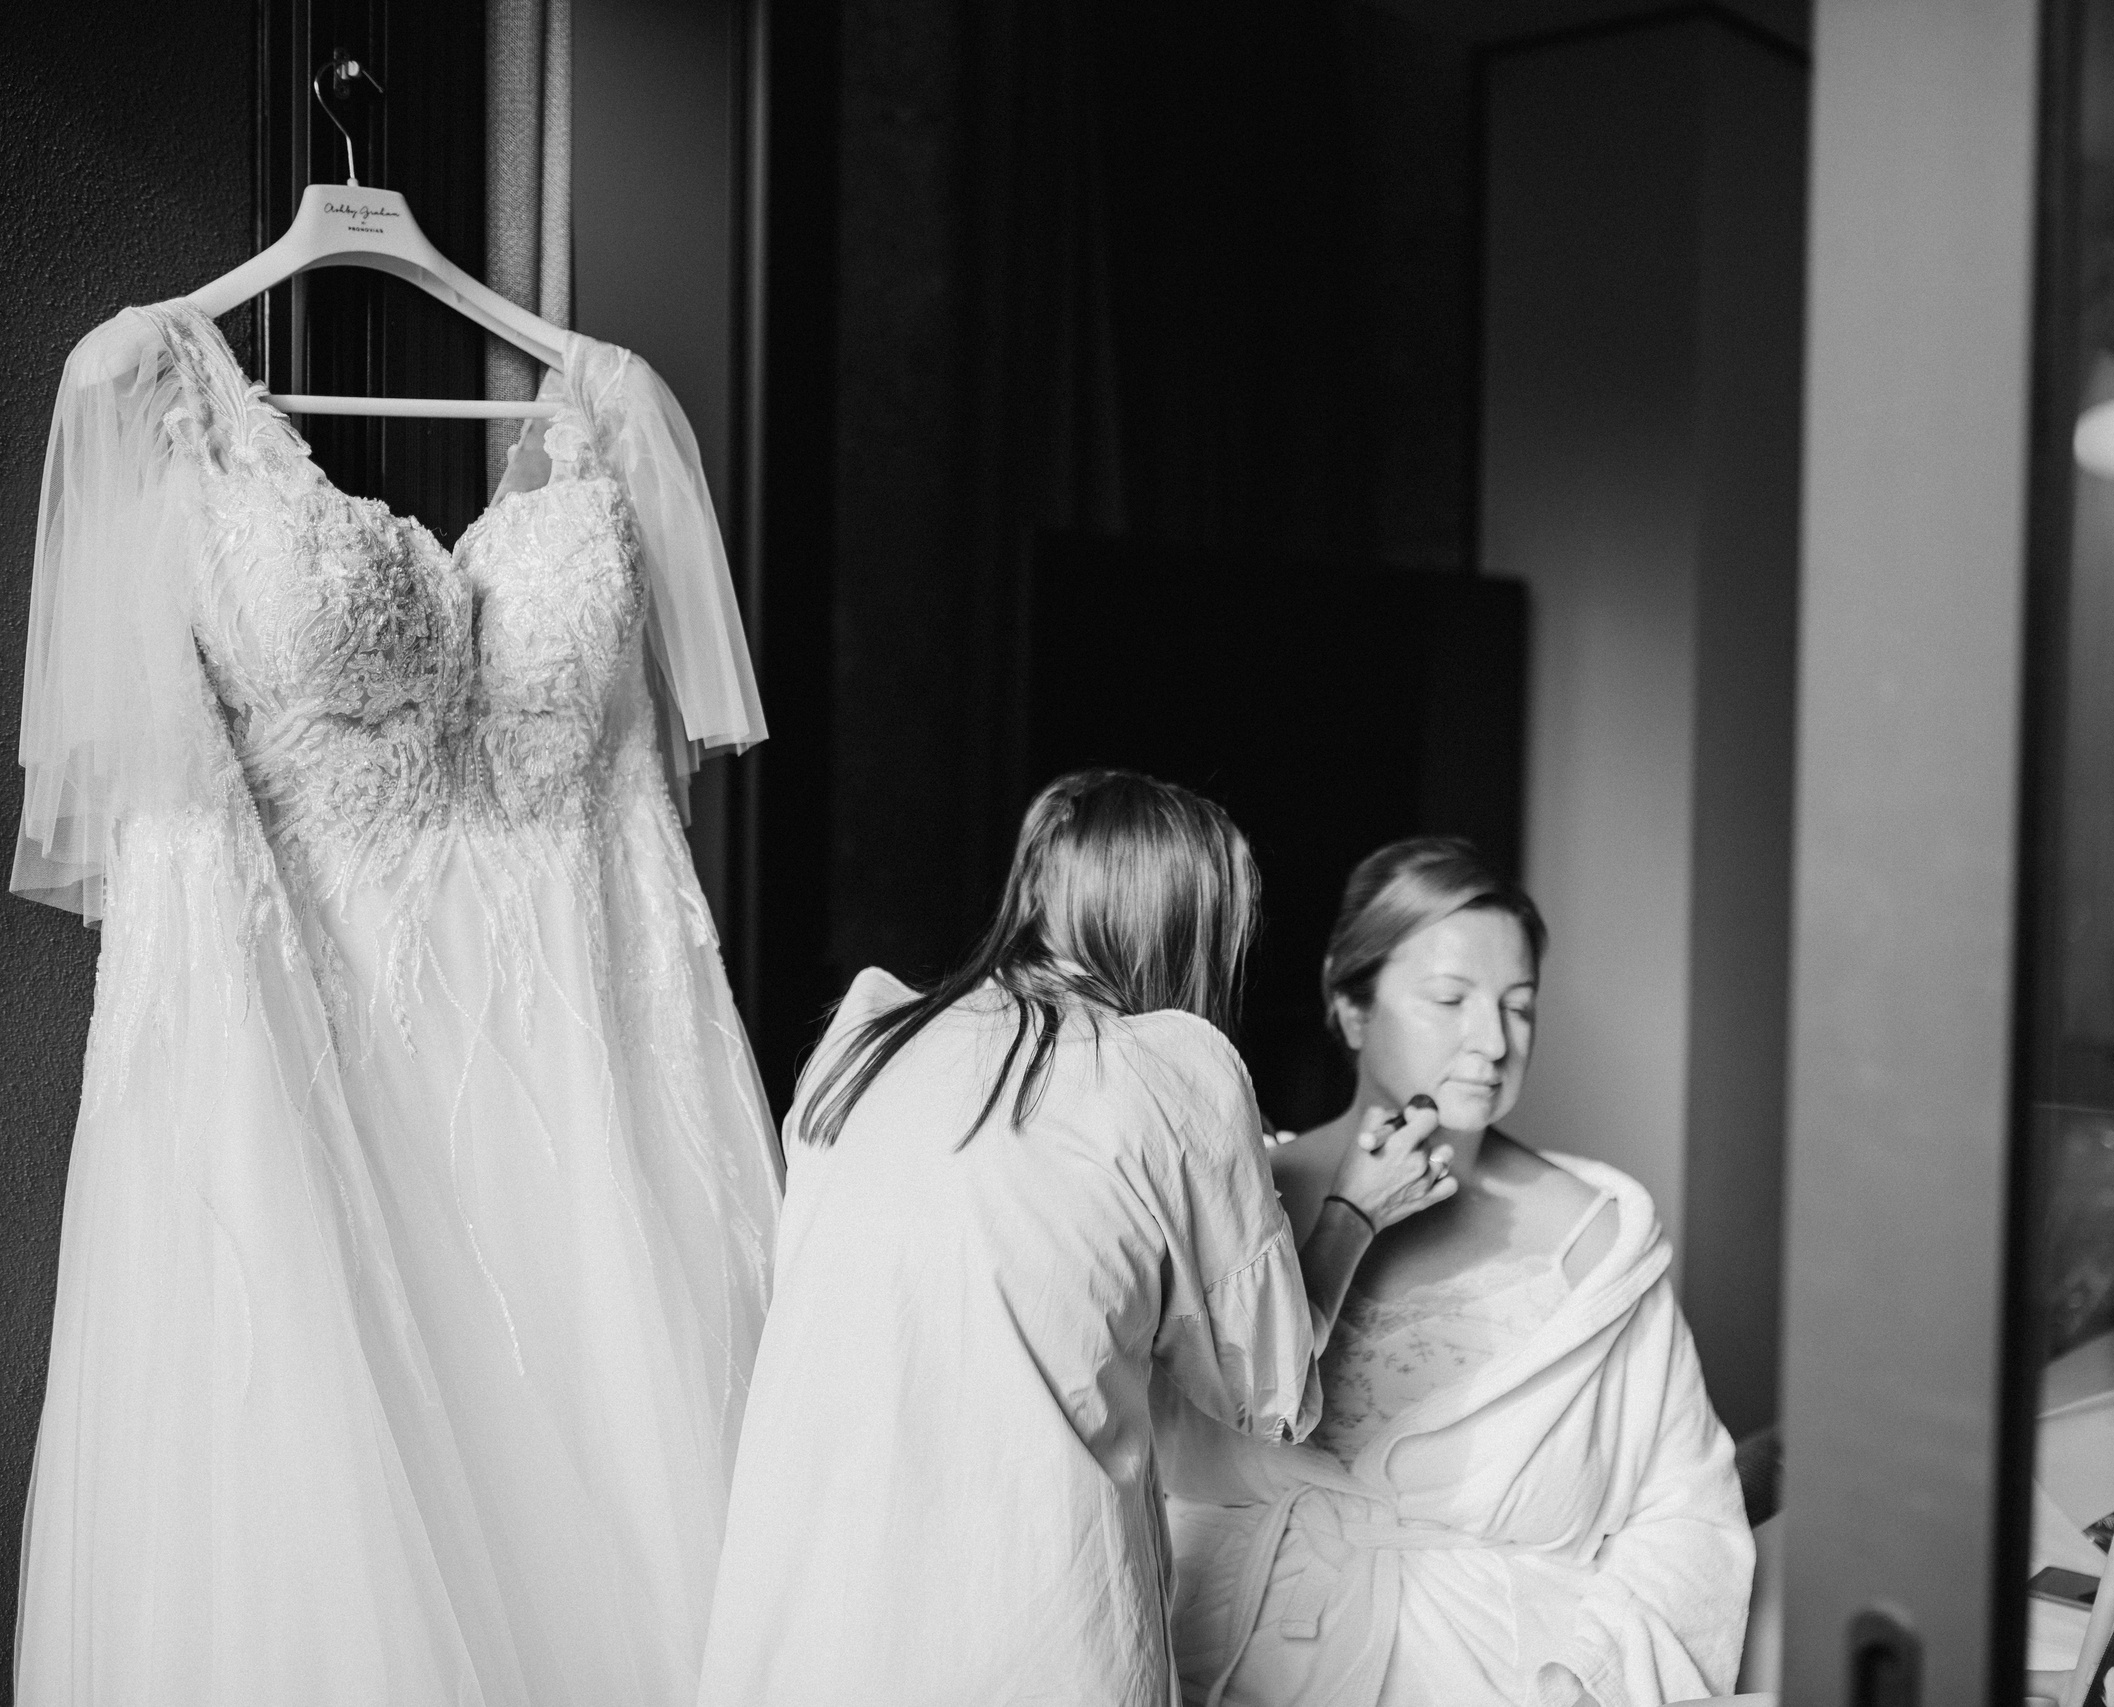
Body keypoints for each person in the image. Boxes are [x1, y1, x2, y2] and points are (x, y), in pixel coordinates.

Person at [13, 303, 778, 1706]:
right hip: (299, 1086)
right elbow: (156, 816)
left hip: (590, 1115)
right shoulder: (137, 397)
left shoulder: (627, 419)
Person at [695, 770, 1449, 1705]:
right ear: (1191, 927)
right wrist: (1357, 1210)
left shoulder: (864, 1043)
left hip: (804, 1603)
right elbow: (1272, 1390)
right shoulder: (1173, 1076)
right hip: (1027, 1624)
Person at [1162, 837, 1755, 1707]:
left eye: (1521, 1005)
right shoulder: (1239, 1198)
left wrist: (1585, 1686)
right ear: (1351, 1004)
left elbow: (1686, 1512)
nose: (1494, 1039)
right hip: (1226, 1662)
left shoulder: (1594, 1243)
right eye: (1450, 998)